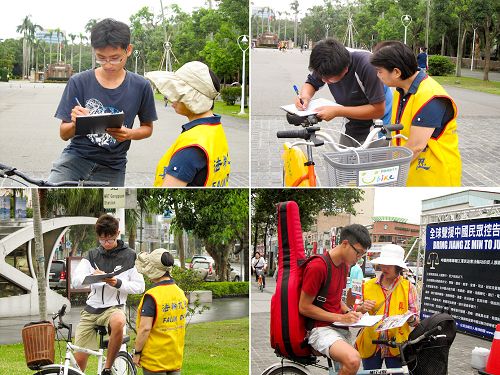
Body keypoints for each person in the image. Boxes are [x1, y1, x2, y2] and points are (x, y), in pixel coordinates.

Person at [48, 19, 158, 186]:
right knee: (50, 189)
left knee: (110, 204)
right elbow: (64, 134)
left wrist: (129, 134)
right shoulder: (79, 82)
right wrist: (76, 123)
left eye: (115, 58)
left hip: (113, 165)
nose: (108, 64)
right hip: (75, 158)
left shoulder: (141, 86)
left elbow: (147, 128)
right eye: (101, 58)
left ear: (128, 50)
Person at [370, 41, 461, 186]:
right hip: (411, 172)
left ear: (396, 72)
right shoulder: (401, 90)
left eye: (380, 71)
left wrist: (382, 172)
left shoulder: (430, 97)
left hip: (434, 177)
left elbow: (415, 146)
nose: (377, 75)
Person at [71, 214, 145, 375]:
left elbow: (140, 286)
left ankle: (107, 368)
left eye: (110, 239)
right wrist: (96, 278)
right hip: (91, 310)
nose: (106, 243)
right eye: (102, 240)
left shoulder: (130, 256)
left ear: (118, 233)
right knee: (78, 365)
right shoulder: (92, 255)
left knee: (119, 320)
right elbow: (75, 281)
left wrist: (117, 283)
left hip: (114, 307)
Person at [298, 224, 372, 375]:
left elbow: (335, 298)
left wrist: (350, 312)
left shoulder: (344, 266)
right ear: (345, 244)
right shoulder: (318, 266)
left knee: (356, 369)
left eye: (362, 255)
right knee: (353, 360)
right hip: (320, 329)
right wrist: (341, 317)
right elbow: (304, 307)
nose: (358, 259)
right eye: (358, 253)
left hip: (338, 328)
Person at [146, 61, 230, 187]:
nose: (171, 98)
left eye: (177, 93)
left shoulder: (192, 147)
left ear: (192, 99)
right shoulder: (214, 128)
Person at [295, 38, 387, 147]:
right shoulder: (327, 60)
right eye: (322, 77)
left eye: (329, 79)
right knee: (346, 156)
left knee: (371, 159)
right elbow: (311, 83)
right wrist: (305, 97)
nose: (324, 81)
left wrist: (338, 111)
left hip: (378, 122)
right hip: (351, 119)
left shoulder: (367, 65)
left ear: (345, 69)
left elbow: (378, 110)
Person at [354, 244, 420, 370]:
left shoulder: (408, 287)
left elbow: (416, 320)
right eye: (383, 264)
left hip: (397, 344)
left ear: (398, 267)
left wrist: (410, 318)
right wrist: (361, 308)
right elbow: (354, 309)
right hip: (371, 343)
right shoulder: (367, 285)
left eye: (389, 265)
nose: (384, 268)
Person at [133, 249, 188, 375]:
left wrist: (137, 353)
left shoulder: (152, 296)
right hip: (175, 357)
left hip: (154, 360)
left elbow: (145, 329)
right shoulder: (179, 293)